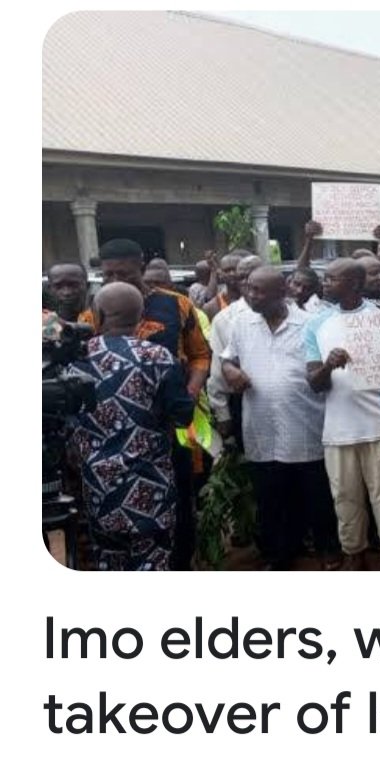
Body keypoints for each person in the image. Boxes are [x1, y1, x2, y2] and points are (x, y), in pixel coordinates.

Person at [79, 238, 211, 570]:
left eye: (123, 273)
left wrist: (191, 391)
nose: (115, 280)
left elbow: (199, 355)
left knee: (181, 493)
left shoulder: (177, 305)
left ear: (141, 266)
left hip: (173, 423)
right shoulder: (93, 311)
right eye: (108, 275)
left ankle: (181, 565)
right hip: (111, 434)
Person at [220, 267, 341, 571]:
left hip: (304, 425)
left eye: (259, 290)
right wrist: (230, 371)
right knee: (271, 498)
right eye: (249, 288)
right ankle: (278, 556)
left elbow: (324, 373)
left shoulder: (310, 324)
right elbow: (227, 358)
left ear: (282, 292)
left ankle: (328, 549)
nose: (251, 295)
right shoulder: (241, 323)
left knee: (316, 494)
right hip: (261, 427)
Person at [306, 258, 380, 571]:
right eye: (325, 278)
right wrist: (328, 366)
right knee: (345, 498)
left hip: (379, 424)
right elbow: (314, 384)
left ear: (354, 283)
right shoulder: (316, 325)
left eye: (332, 279)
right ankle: (354, 554)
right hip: (338, 430)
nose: (325, 283)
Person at [207, 255, 263, 439]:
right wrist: (222, 413)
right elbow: (218, 371)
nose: (247, 282)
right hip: (246, 400)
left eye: (252, 275)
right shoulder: (225, 319)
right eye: (242, 277)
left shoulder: (296, 314)